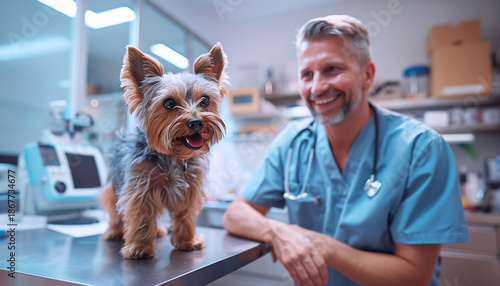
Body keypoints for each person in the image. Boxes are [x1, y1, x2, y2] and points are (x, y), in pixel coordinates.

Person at [222, 15, 468, 286]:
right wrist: (278, 232)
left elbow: (414, 276)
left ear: (367, 76)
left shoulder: (421, 149)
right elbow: (236, 213)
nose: (317, 87)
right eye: (307, 74)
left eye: (332, 69)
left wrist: (320, 244)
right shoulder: (292, 143)